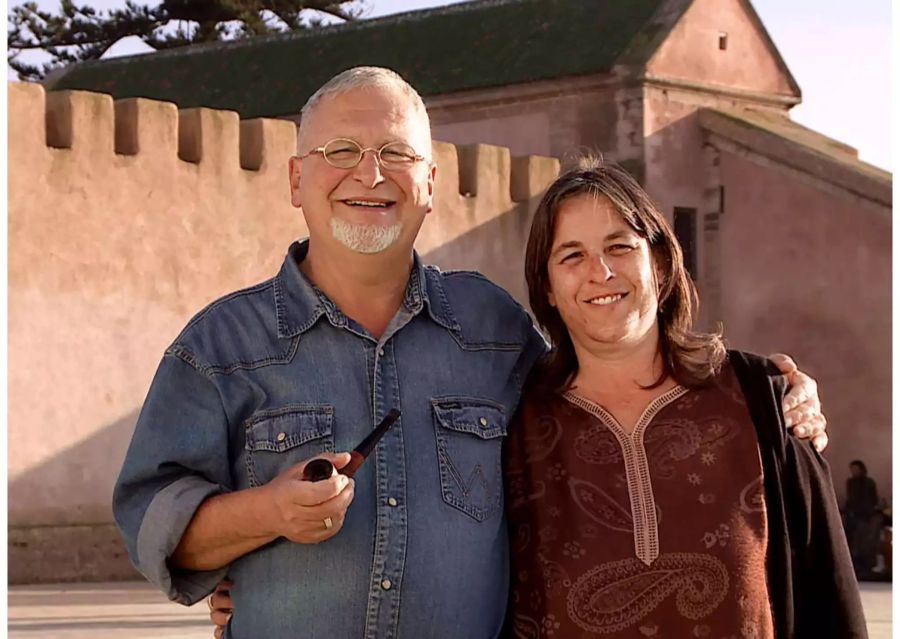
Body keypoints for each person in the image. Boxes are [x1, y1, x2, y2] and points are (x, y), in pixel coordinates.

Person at [113, 67, 826, 639]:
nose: (370, 174)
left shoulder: (494, 329)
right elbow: (155, 520)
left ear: (430, 186)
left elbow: (602, 377)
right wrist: (265, 515)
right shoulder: (219, 346)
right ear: (297, 180)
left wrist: (774, 395)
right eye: (340, 153)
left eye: (396, 154)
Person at [503, 160, 866, 637]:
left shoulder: (761, 398)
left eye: (620, 246)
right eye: (571, 256)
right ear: (547, 287)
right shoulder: (513, 425)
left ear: (658, 262)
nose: (601, 271)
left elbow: (829, 595)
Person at [844, 460, 881, 577]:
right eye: (852, 469)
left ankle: (865, 566)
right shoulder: (850, 483)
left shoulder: (868, 483)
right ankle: (854, 565)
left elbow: (873, 499)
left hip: (865, 516)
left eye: (856, 469)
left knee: (864, 541)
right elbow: (850, 499)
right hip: (852, 516)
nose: (854, 472)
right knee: (851, 540)